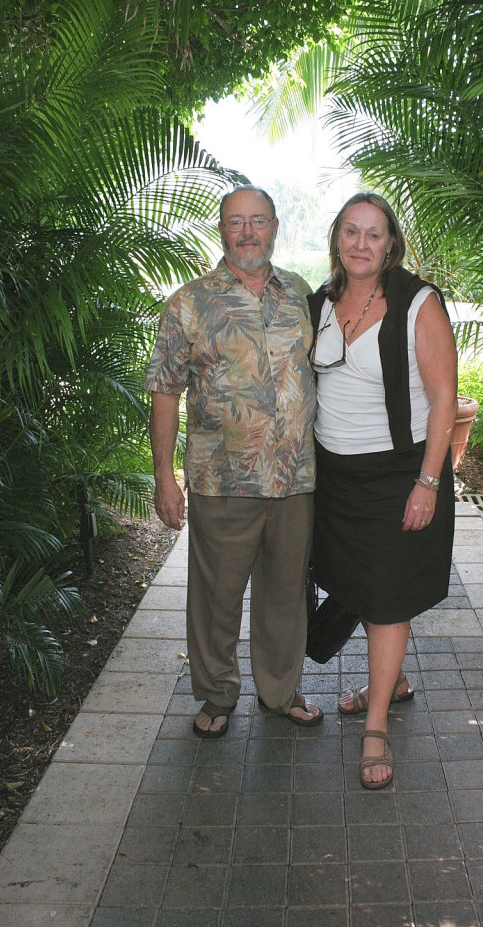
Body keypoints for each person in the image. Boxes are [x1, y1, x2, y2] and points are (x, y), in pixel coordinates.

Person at [144, 185, 323, 738]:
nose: (247, 232)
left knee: (286, 594)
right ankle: (217, 695)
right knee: (216, 597)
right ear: (222, 230)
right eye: (235, 222)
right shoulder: (190, 303)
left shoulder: (300, 293)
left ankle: (280, 692)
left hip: (295, 478)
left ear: (275, 227)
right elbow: (164, 390)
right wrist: (163, 477)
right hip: (221, 480)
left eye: (258, 221)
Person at [308, 192, 457, 788]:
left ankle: (376, 729)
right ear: (337, 239)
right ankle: (391, 681)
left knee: (388, 595)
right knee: (361, 584)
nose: (361, 244)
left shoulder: (417, 303)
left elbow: (445, 398)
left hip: (399, 472)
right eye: (351, 232)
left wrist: (428, 481)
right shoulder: (321, 301)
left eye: (373, 234)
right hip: (336, 476)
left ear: (391, 242)